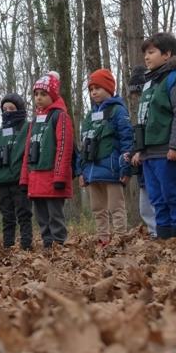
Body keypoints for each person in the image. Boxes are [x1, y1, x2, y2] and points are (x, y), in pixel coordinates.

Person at [131, 33, 176, 241]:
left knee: (173, 195)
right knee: (157, 199)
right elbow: (143, 118)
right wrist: (138, 149)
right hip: (149, 152)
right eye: (145, 54)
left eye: (151, 52)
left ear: (167, 54)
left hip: (168, 150)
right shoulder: (149, 83)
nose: (147, 58)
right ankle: (164, 237)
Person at [76, 69, 134, 249]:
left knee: (116, 207)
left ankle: (120, 239)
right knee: (97, 208)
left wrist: (125, 167)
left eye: (98, 88)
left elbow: (127, 140)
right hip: (92, 172)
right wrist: (81, 171)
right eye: (91, 89)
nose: (94, 92)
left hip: (112, 169)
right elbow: (83, 144)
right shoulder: (89, 116)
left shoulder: (118, 111)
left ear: (109, 88)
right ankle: (103, 239)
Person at [20, 72, 75, 250]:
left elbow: (64, 147)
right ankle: (47, 245)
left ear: (52, 95)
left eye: (43, 94)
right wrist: (24, 179)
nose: (39, 98)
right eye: (36, 94)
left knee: (55, 216)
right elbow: (28, 150)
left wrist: (60, 177)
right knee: (41, 217)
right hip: (36, 179)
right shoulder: (35, 120)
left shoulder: (60, 116)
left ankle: (59, 245)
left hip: (53, 179)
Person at [0, 93, 33, 250]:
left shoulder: (27, 127)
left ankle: (26, 245)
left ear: (19, 109)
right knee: (7, 216)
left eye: (12, 108)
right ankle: (8, 245)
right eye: (5, 109)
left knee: (24, 213)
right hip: (2, 181)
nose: (8, 111)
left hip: (20, 180)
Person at [126, 66, 156, 237]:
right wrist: (132, 152)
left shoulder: (154, 106)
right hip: (142, 167)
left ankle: (162, 234)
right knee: (144, 206)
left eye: (139, 93)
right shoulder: (139, 112)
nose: (137, 98)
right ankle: (154, 233)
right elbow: (137, 136)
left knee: (156, 201)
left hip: (153, 159)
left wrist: (141, 151)